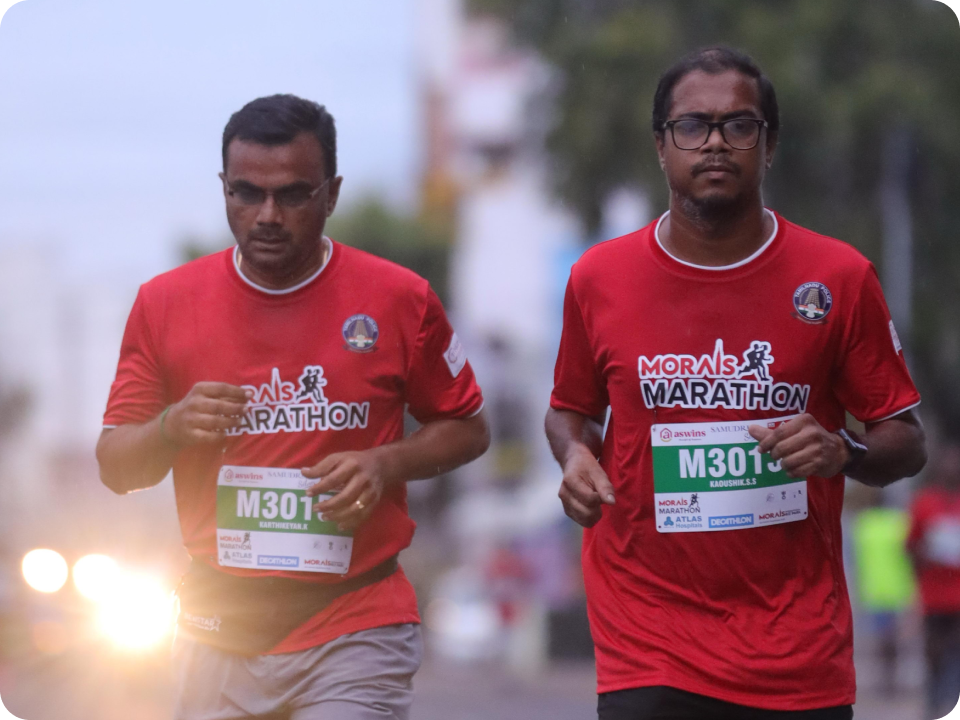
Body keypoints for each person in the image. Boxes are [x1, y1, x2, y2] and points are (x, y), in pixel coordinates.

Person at [545, 47, 927, 720]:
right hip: (647, 639)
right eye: (693, 125)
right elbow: (569, 409)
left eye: (739, 125)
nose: (716, 142)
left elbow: (906, 440)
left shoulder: (838, 278)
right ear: (661, 145)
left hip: (795, 652)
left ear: (769, 145)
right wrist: (575, 454)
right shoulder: (598, 278)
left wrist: (843, 450)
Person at [96, 94, 490, 720]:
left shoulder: (398, 298)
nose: (268, 216)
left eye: (293, 195)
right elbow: (116, 466)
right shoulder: (165, 304)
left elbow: (468, 429)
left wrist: (383, 463)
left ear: (331, 194)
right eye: (247, 193)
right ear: (224, 188)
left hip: (356, 620)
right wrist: (171, 427)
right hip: (215, 627)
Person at [907, 442, 960, 718]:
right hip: (934, 592)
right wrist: (925, 554)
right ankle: (934, 698)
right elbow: (910, 545)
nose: (952, 468)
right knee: (934, 650)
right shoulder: (924, 502)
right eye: (947, 462)